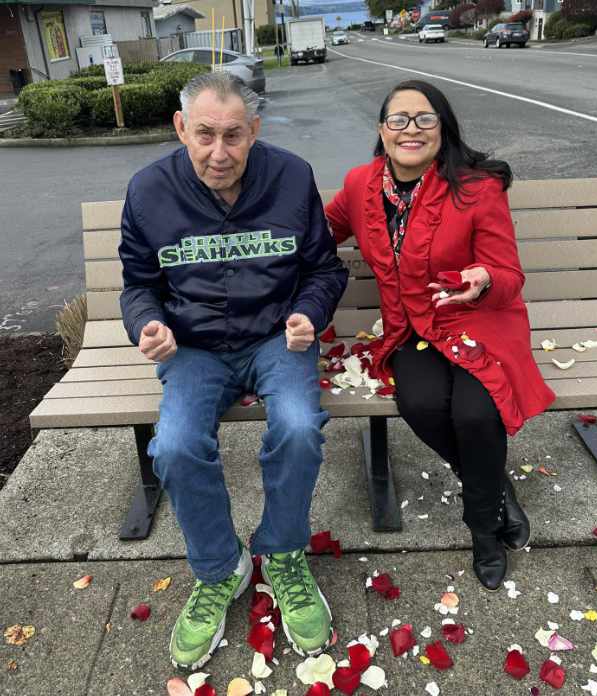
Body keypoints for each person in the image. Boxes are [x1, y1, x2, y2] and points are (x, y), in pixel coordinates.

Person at [119, 71, 348, 669]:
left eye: (233, 136)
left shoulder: (291, 176)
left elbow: (324, 269)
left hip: (275, 336)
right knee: (174, 445)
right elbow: (138, 284)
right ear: (181, 129)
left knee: (298, 427)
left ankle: (284, 553)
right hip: (194, 347)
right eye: (205, 135)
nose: (218, 153)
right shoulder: (148, 190)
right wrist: (148, 324)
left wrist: (309, 313)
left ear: (254, 131)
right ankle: (221, 567)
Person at [325, 80, 555, 591]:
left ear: (442, 127)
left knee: (475, 413)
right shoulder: (361, 184)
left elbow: (509, 274)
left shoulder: (478, 187)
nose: (411, 129)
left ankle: (484, 531)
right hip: (412, 327)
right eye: (399, 119)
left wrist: (484, 279)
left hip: (480, 320)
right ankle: (496, 489)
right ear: (382, 129)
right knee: (422, 404)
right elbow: (320, 232)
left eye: (424, 118)